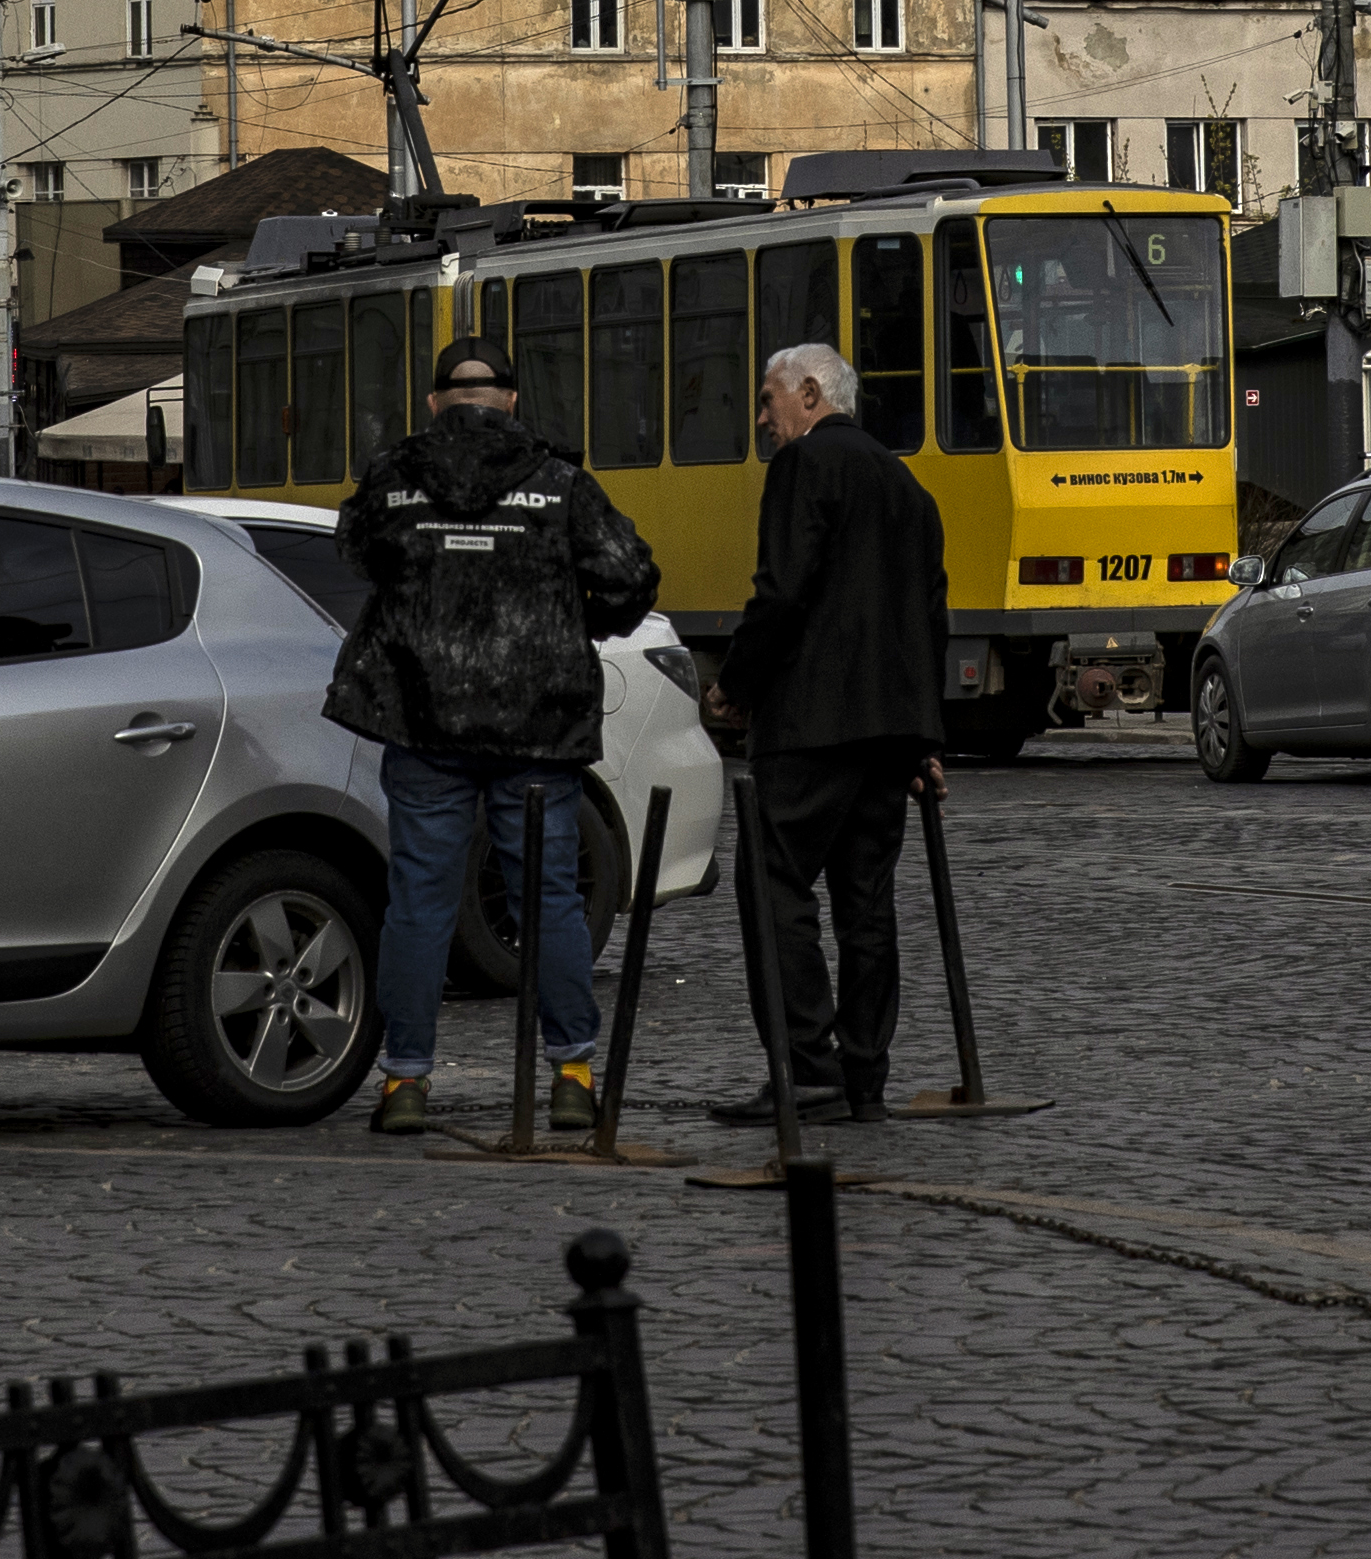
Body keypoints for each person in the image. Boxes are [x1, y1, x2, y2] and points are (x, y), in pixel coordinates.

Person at [324, 336, 663, 1137]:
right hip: (539, 728)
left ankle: (405, 1085)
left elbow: (355, 554)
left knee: (418, 905)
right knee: (548, 902)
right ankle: (572, 1076)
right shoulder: (560, 484)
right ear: (511, 402)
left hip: (423, 723)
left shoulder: (393, 481)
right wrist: (577, 621)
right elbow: (632, 577)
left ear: (437, 402)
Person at [713, 338, 951, 1124]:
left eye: (768, 401)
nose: (762, 419)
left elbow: (781, 592)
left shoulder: (805, 468)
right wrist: (925, 738)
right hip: (889, 732)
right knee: (867, 904)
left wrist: (737, 686)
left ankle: (805, 1065)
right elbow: (929, 619)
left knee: (776, 888)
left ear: (810, 393)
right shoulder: (910, 489)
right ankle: (863, 1076)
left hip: (812, 723)